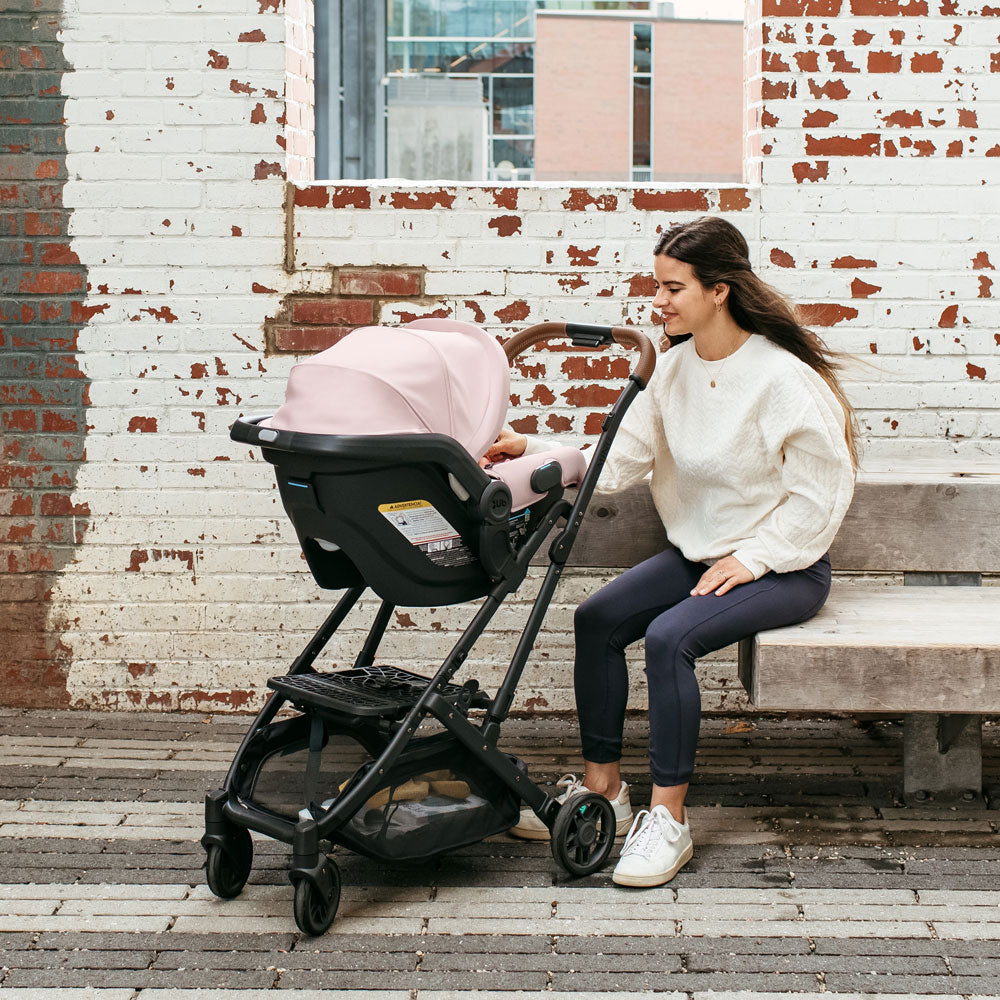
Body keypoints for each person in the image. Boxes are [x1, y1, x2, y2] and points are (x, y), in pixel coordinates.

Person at [486, 216, 858, 888]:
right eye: (656, 285)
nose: (657, 300)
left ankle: (668, 820)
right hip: (702, 556)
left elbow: (823, 492)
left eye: (672, 287)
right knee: (597, 619)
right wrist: (534, 449)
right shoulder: (673, 369)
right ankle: (606, 793)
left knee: (668, 638)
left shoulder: (781, 377)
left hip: (784, 566)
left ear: (719, 291)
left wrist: (756, 557)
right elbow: (619, 459)